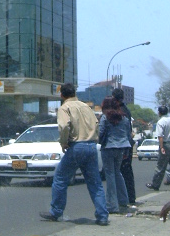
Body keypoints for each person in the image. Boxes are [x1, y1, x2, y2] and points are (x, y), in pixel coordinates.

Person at [39, 82, 109, 225]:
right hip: (91, 146)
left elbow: (64, 126)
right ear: (75, 94)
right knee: (95, 183)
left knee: (60, 178)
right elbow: (97, 124)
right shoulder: (86, 107)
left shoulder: (65, 108)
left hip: (76, 146)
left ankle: (56, 211)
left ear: (62, 95)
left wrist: (63, 142)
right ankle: (102, 215)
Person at [99, 96, 133, 213]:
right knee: (117, 173)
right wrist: (127, 151)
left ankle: (112, 205)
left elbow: (100, 133)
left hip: (108, 147)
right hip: (122, 147)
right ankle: (123, 201)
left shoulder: (105, 117)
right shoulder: (124, 119)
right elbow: (129, 136)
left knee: (110, 175)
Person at [111, 87, 136, 204]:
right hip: (127, 144)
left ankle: (125, 198)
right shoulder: (126, 109)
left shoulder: (118, 111)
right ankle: (129, 197)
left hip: (122, 145)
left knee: (120, 172)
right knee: (126, 171)